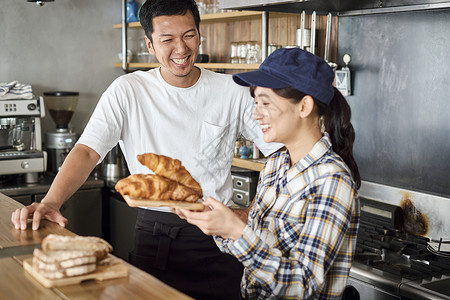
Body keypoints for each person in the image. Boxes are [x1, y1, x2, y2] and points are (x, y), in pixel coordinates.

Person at [10, 1, 281, 299]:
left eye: (189, 35)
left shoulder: (232, 89)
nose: (181, 48)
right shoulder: (127, 90)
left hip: (220, 238)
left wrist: (251, 212)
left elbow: (282, 153)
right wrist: (51, 202)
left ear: (200, 35)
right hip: (156, 236)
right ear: (150, 45)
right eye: (167, 40)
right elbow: (88, 151)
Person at [173, 48, 361, 300]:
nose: (255, 113)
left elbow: (302, 285)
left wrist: (235, 233)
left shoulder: (332, 180)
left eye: (266, 103)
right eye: (255, 103)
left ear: (304, 105)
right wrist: (214, 221)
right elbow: (258, 241)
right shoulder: (274, 165)